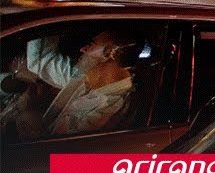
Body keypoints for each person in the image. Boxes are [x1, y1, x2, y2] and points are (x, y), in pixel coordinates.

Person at [15, 28, 144, 139]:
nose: (83, 49)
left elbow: (51, 155)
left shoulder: (111, 109)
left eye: (91, 45)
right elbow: (42, 61)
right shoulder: (88, 79)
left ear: (109, 53)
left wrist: (28, 111)